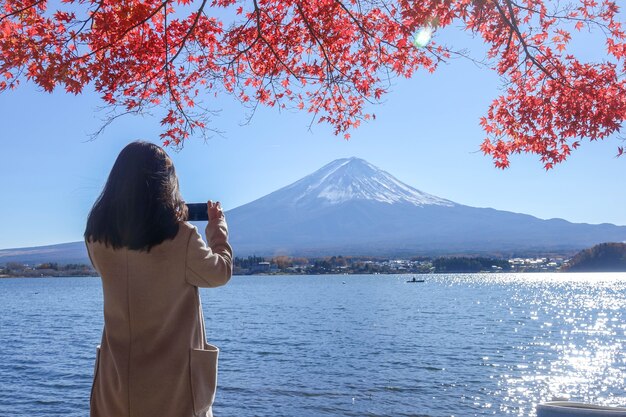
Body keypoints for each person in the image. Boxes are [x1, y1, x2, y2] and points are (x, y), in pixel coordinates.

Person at [84, 141, 233, 417]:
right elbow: (220, 272)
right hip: (172, 390)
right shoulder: (181, 238)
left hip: (116, 386)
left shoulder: (96, 239)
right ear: (167, 185)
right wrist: (217, 230)